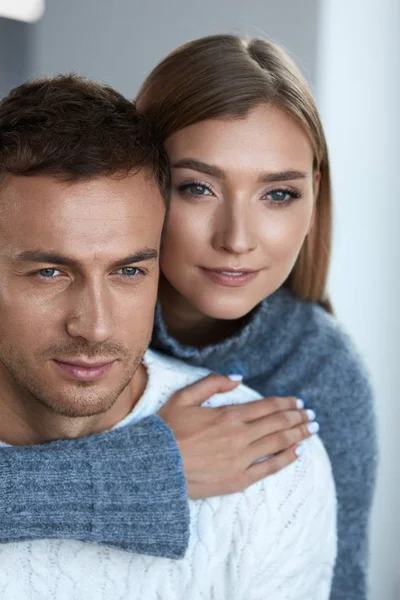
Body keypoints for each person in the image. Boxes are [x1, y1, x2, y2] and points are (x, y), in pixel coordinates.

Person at [0, 33, 376, 598]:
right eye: (198, 187)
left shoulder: (319, 372)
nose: (237, 240)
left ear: (312, 197)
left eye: (277, 194)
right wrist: (145, 472)